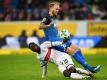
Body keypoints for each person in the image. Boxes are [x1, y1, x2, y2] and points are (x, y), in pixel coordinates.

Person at [39, 1, 100, 73]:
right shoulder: (47, 17)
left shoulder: (52, 18)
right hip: (54, 42)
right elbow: (40, 26)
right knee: (73, 52)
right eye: (56, 9)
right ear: (51, 7)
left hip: (58, 39)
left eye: (58, 9)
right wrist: (49, 26)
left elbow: (52, 30)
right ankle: (90, 68)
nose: (58, 11)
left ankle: (86, 66)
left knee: (78, 49)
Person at [28, 41, 94, 79]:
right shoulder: (39, 57)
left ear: (36, 44)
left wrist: (62, 42)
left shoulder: (44, 45)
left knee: (71, 69)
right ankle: (84, 77)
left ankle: (87, 73)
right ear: (32, 50)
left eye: (35, 46)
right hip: (58, 64)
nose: (35, 48)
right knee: (66, 73)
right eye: (32, 48)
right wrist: (43, 76)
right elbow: (45, 66)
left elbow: (55, 43)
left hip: (63, 56)